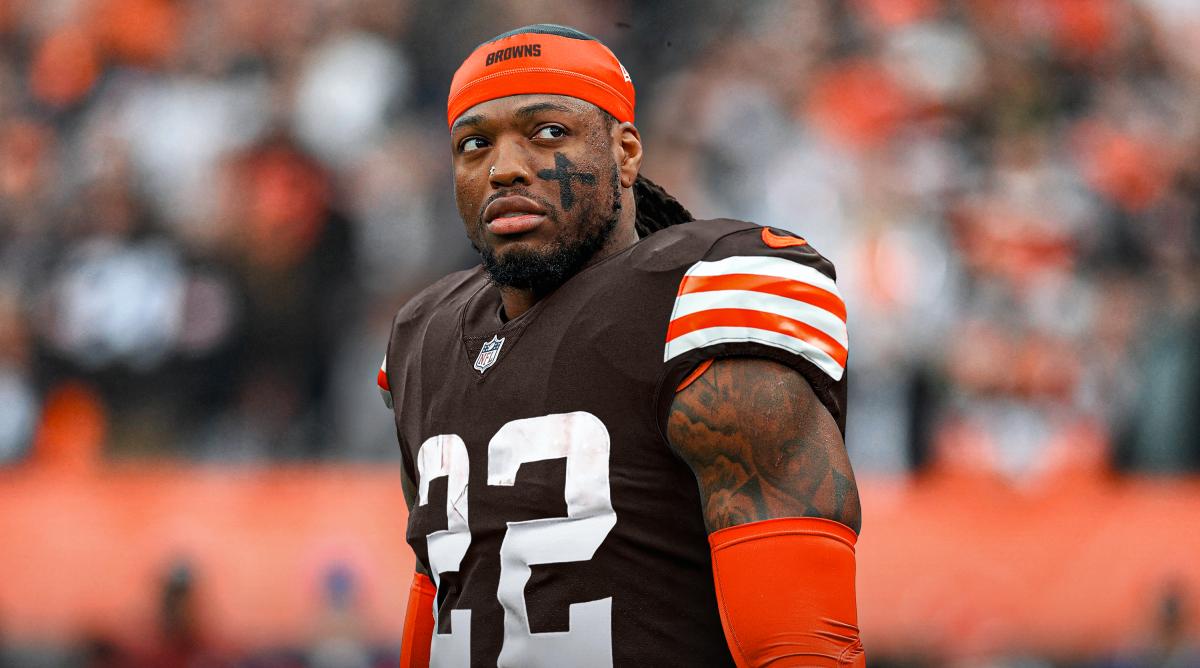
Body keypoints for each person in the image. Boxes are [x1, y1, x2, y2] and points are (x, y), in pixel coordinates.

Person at [380, 24, 864, 667]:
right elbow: (438, 591)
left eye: (548, 132)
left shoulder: (697, 299)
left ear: (626, 152)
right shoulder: (425, 337)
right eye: (475, 144)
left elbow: (802, 648)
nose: (504, 169)